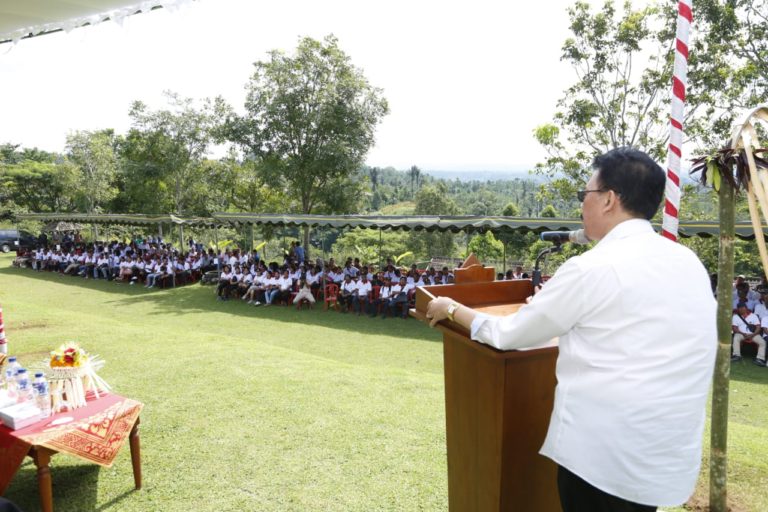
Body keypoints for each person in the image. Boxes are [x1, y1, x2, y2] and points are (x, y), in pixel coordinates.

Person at [426, 147, 716, 511]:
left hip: (603, 463)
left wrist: (450, 306)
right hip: (661, 458)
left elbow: (508, 335)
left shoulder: (592, 267)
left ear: (609, 200)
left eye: (585, 195)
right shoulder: (686, 262)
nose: (582, 205)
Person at [733, 302, 766, 366]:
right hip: (742, 334)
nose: (741, 309)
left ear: (746, 308)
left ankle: (760, 358)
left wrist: (752, 334)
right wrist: (743, 333)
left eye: (742, 308)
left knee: (762, 342)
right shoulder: (735, 316)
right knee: (736, 337)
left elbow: (758, 327)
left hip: (753, 334)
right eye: (739, 308)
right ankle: (736, 355)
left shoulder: (753, 316)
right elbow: (735, 328)